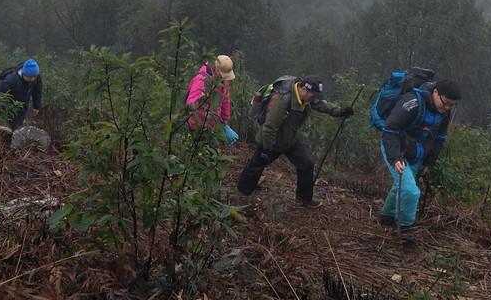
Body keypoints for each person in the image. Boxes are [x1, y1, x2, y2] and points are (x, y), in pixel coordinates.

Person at [236, 75, 353, 208]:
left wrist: (340, 111)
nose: (314, 98)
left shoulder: (306, 97)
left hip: (289, 139)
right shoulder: (283, 99)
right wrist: (266, 148)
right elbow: (270, 126)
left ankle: (304, 198)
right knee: (256, 166)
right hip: (271, 140)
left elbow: (321, 105)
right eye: (313, 95)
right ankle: (242, 195)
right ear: (303, 89)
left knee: (307, 164)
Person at [380, 78, 462, 242]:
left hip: (418, 153)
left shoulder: (445, 112)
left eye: (451, 105)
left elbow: (440, 138)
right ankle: (405, 228)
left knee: (401, 186)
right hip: (397, 150)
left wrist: (429, 162)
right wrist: (394, 158)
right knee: (411, 190)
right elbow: (390, 129)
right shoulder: (412, 103)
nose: (446, 108)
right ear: (435, 92)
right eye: (445, 103)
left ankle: (386, 217)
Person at [186, 54, 238, 144]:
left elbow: (225, 101)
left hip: (212, 125)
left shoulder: (223, 81)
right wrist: (204, 117)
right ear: (215, 69)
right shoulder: (201, 80)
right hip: (197, 125)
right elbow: (191, 104)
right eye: (223, 74)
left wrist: (225, 118)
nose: (224, 77)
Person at [0, 59, 43, 130]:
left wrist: (36, 106)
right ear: (24, 74)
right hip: (10, 105)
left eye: (35, 76)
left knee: (18, 124)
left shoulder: (37, 77)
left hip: (23, 104)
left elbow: (37, 91)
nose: (33, 79)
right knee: (12, 126)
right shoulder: (12, 79)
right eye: (30, 77)